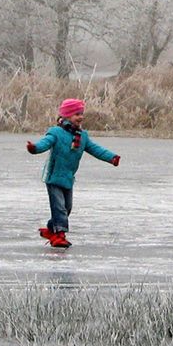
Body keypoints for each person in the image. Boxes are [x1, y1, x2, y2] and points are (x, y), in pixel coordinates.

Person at [25, 98, 120, 248]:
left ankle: (52, 229)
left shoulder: (82, 136)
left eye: (81, 113)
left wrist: (112, 158)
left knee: (67, 207)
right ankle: (59, 236)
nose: (80, 117)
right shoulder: (56, 132)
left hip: (68, 178)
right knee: (60, 208)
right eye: (77, 114)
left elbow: (96, 149)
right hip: (54, 177)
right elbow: (45, 143)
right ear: (67, 116)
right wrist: (34, 148)